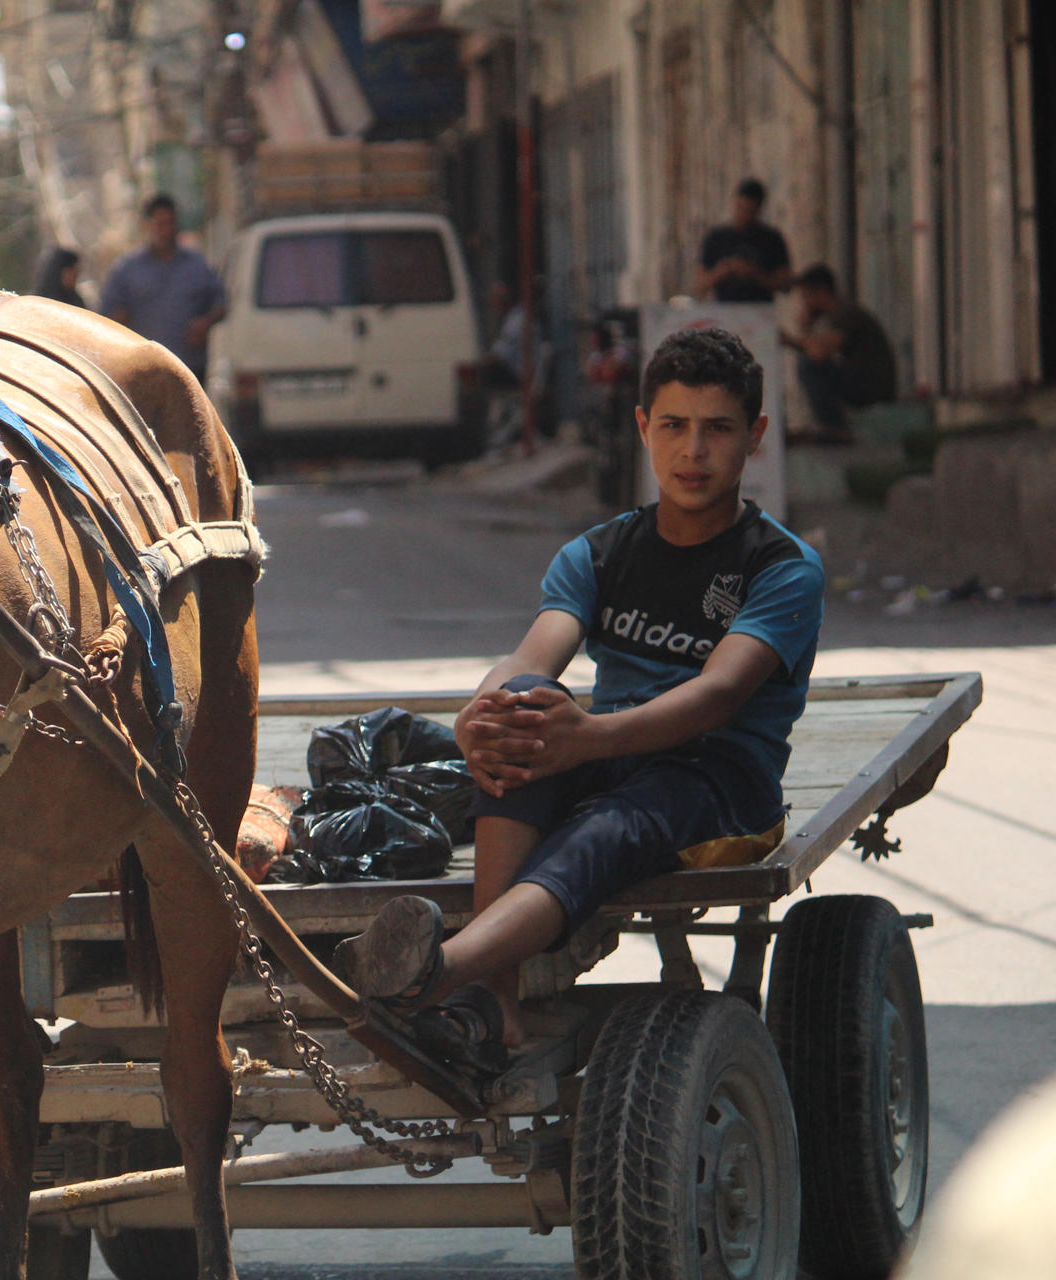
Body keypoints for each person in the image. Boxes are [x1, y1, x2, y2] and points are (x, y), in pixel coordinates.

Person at [334, 328, 824, 1069]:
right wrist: (481, 715)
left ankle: (438, 972)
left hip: (720, 782)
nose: (694, 451)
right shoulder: (600, 553)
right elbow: (534, 655)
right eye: (674, 426)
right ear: (642, 429)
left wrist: (586, 739)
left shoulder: (781, 566)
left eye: (718, 429)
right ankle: (494, 1000)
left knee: (605, 828)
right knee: (523, 706)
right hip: (613, 752)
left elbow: (719, 694)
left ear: (754, 437)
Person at [99, 193, 226, 379]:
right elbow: (108, 317)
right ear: (147, 226)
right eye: (159, 224)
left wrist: (205, 323)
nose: (165, 231)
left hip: (189, 369)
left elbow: (220, 303)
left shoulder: (196, 265)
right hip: (145, 373)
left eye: (169, 224)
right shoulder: (127, 270)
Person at [783, 263, 897, 444]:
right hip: (863, 381)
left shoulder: (847, 314)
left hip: (873, 386)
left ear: (821, 292)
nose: (804, 304)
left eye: (806, 296)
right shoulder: (841, 314)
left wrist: (793, 339)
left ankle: (834, 428)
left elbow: (818, 353)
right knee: (810, 363)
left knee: (809, 366)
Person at [694, 178, 794, 303]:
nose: (743, 215)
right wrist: (722, 272)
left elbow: (786, 284)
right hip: (725, 311)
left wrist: (754, 274)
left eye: (749, 211)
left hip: (760, 312)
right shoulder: (716, 238)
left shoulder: (771, 239)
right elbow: (700, 285)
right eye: (740, 208)